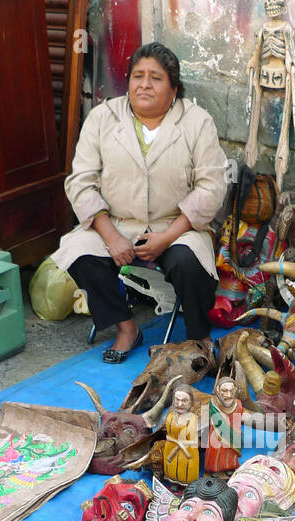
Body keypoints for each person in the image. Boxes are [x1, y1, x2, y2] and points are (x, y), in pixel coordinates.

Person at [51, 42, 226, 362]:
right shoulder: (103, 117)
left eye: (156, 78)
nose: (144, 84)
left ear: (174, 89)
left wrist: (166, 238)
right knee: (79, 253)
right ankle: (126, 327)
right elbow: (81, 182)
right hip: (115, 222)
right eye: (137, 76)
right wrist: (112, 236)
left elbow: (211, 186)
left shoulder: (197, 122)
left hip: (176, 225)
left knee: (189, 263)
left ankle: (199, 336)